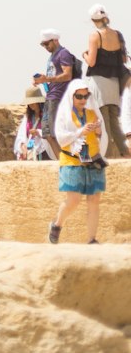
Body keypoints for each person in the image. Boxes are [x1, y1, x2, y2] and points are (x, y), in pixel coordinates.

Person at [48, 78, 107, 244]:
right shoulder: (65, 114)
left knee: (94, 199)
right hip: (72, 161)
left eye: (85, 96)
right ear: (71, 96)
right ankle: (57, 225)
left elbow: (101, 137)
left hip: (94, 160)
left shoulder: (92, 113)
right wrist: (80, 131)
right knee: (74, 200)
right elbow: (61, 138)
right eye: (79, 96)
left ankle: (92, 239)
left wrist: (98, 131)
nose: (82, 100)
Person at [84, 4, 130, 158]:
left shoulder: (95, 35)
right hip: (114, 82)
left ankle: (109, 156)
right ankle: (125, 153)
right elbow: (123, 58)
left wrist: (84, 54)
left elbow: (91, 62)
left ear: (93, 20)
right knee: (114, 121)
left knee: (104, 122)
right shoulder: (118, 34)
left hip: (99, 82)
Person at [33, 28, 75, 159]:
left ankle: (65, 161)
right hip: (51, 95)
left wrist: (47, 79)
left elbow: (67, 75)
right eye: (43, 44)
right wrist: (42, 80)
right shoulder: (53, 56)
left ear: (55, 40)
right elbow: (54, 76)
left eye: (47, 43)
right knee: (48, 134)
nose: (45, 47)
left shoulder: (63, 53)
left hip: (58, 97)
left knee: (53, 133)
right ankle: (63, 160)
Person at [14, 87, 52, 161]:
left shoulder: (47, 115)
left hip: (45, 152)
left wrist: (38, 132)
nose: (31, 104)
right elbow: (21, 135)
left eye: (33, 101)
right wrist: (22, 145)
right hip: (31, 153)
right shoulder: (28, 117)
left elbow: (52, 133)